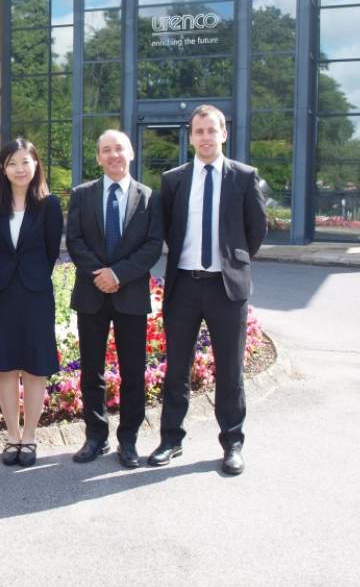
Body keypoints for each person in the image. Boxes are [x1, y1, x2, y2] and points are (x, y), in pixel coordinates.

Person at [150, 105, 267, 476]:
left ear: (223, 134)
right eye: (198, 131)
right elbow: (168, 228)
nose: (204, 137)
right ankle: (171, 439)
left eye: (211, 130)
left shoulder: (244, 178)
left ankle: (232, 443)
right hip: (184, 285)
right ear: (190, 136)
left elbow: (255, 231)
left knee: (230, 371)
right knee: (176, 369)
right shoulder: (173, 180)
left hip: (226, 288)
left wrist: (233, 261)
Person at [66, 129, 162, 469]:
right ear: (98, 157)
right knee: (92, 370)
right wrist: (101, 274)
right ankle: (96, 436)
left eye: (119, 149)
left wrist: (118, 274)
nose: (113, 155)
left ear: (131, 153)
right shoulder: (82, 195)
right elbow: (74, 241)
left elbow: (152, 245)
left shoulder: (149, 197)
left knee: (133, 371)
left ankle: (129, 439)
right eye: (105, 150)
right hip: (91, 294)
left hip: (131, 295)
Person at [0, 139, 63, 467]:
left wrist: (32, 274)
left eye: (25, 162)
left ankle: (30, 437)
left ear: (36, 165)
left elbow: (51, 250)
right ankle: (12, 436)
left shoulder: (49, 205)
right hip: (1, 293)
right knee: (7, 367)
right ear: (3, 168)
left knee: (34, 367)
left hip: (36, 294)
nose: (20, 169)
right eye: (13, 163)